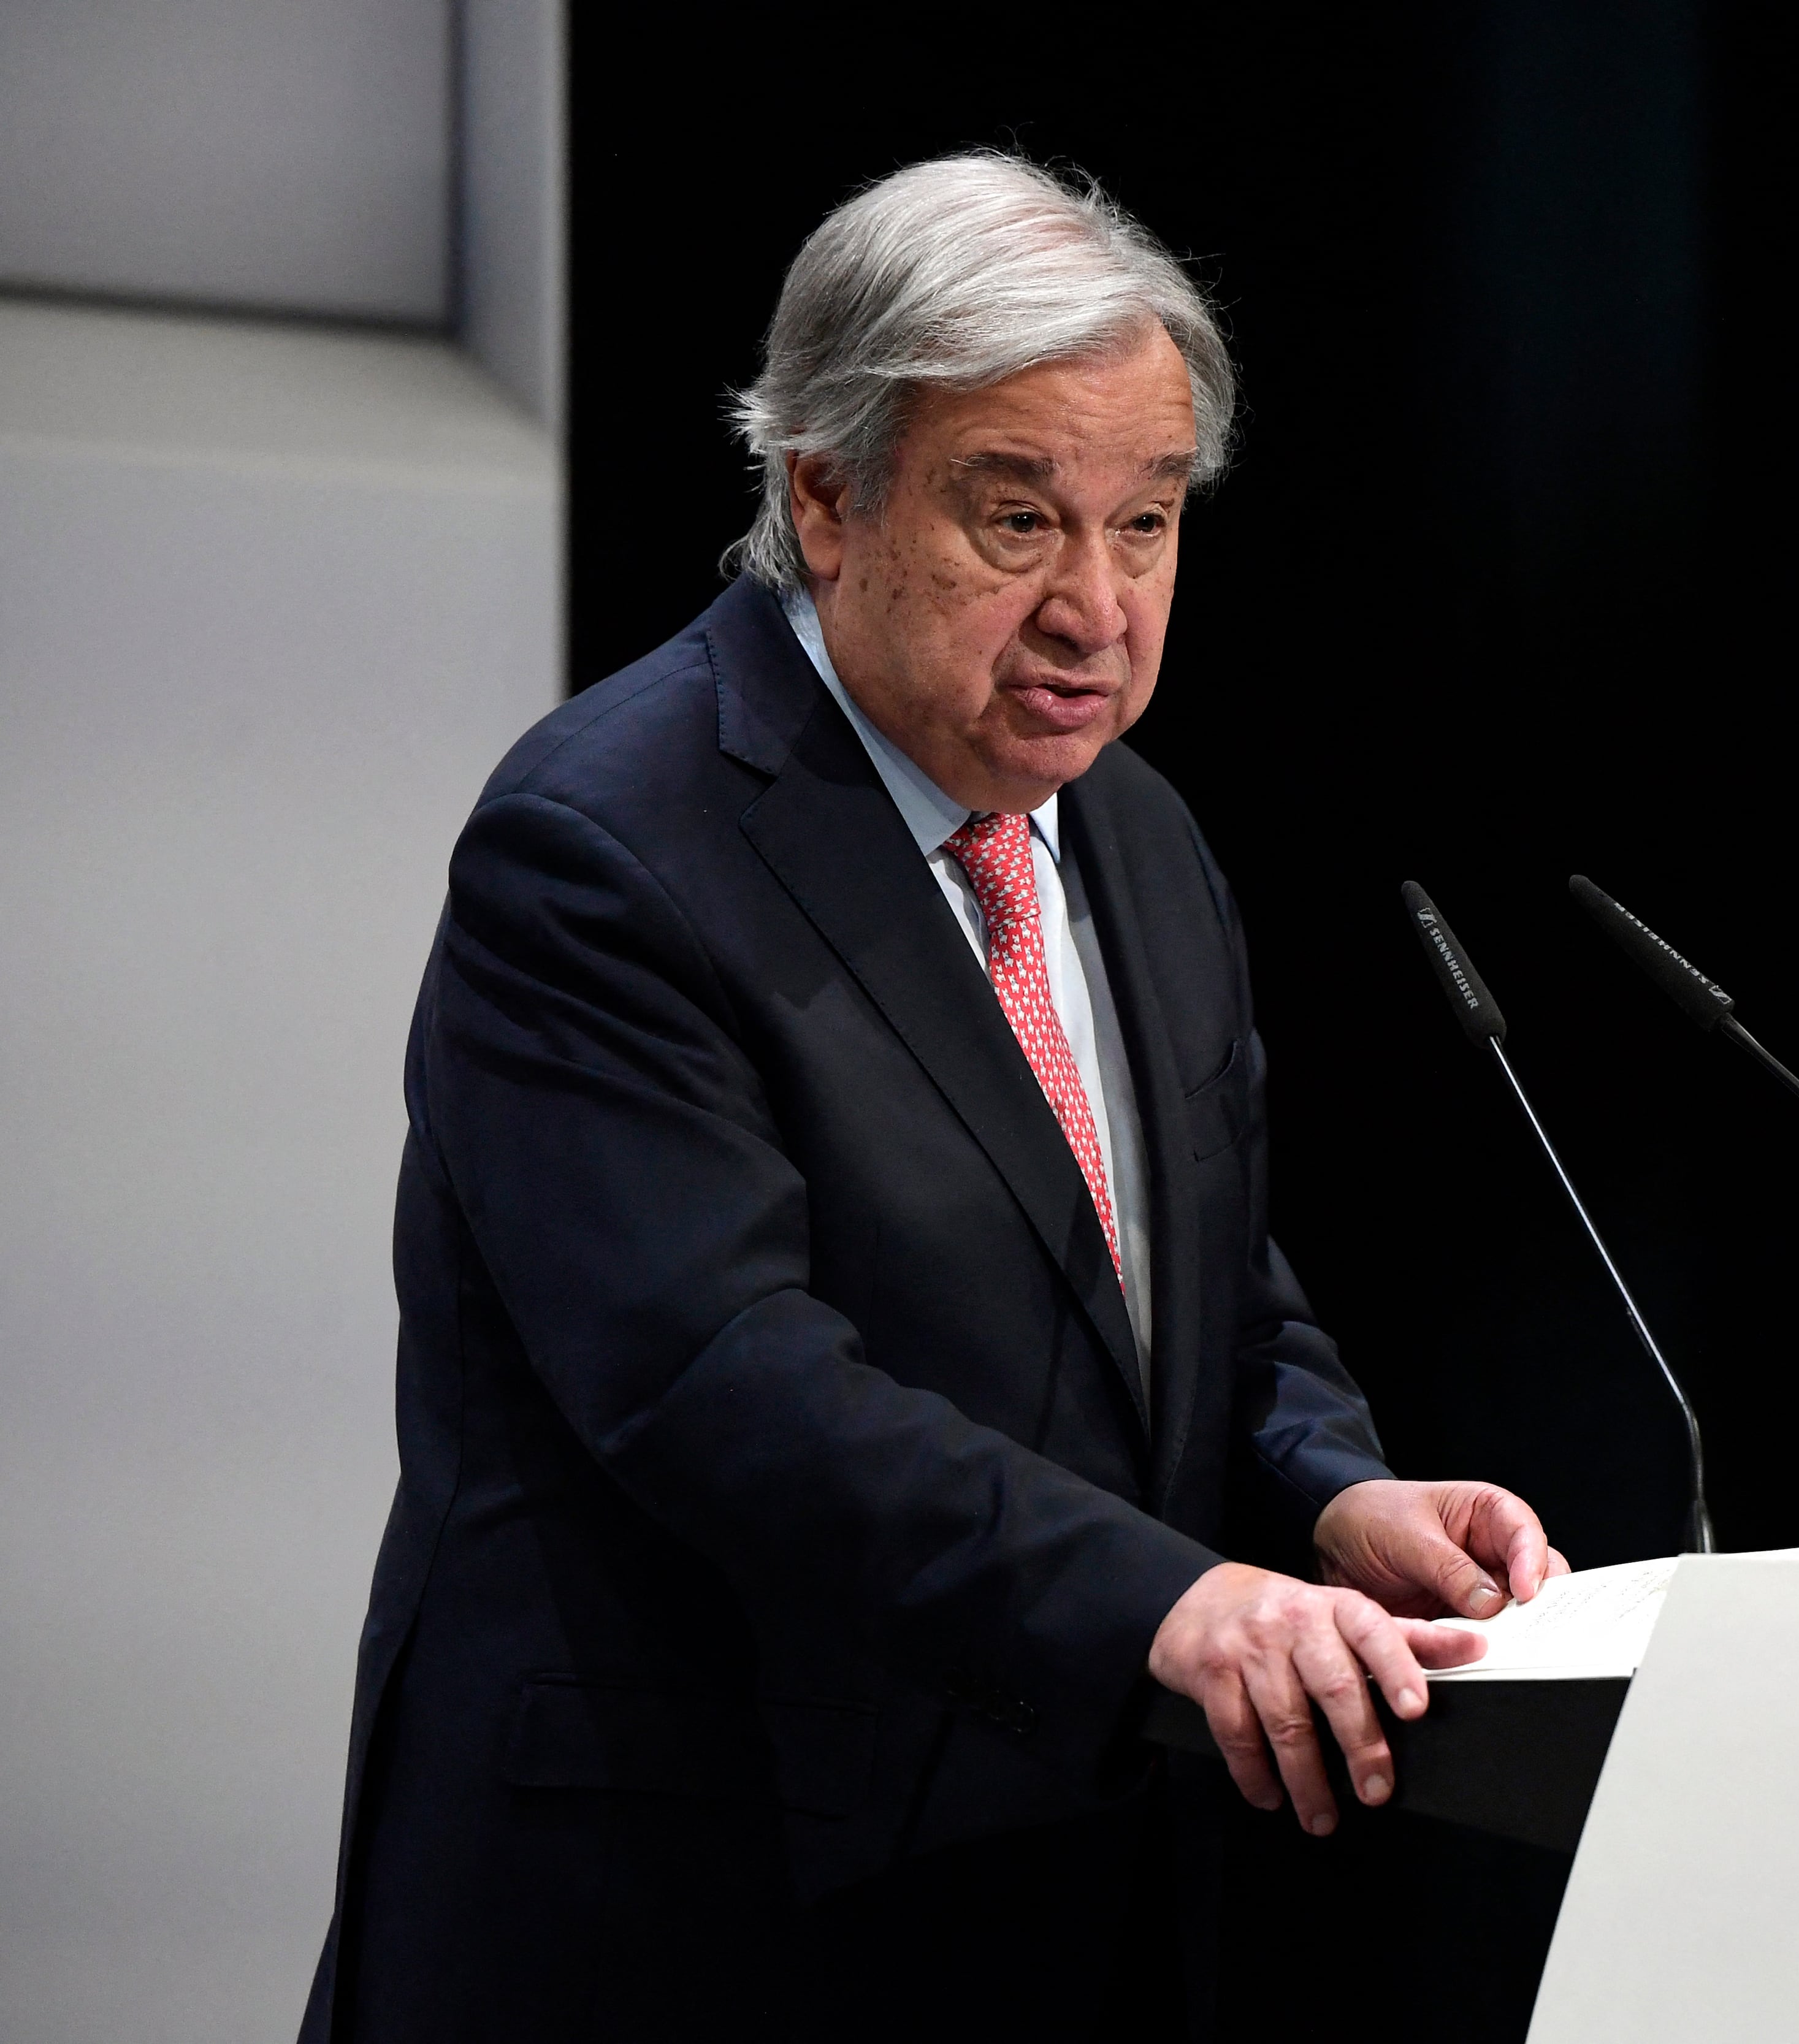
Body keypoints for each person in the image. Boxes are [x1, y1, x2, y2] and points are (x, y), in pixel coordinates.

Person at [301, 151, 1563, 2042]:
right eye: (1017, 519)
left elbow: (1193, 1287)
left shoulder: (1134, 836)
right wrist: (1166, 1604)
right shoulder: (607, 849)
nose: (1096, 608)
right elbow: (721, 1383)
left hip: (1043, 1895)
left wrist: (1334, 1492)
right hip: (685, 1917)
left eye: (1146, 525)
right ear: (827, 496)